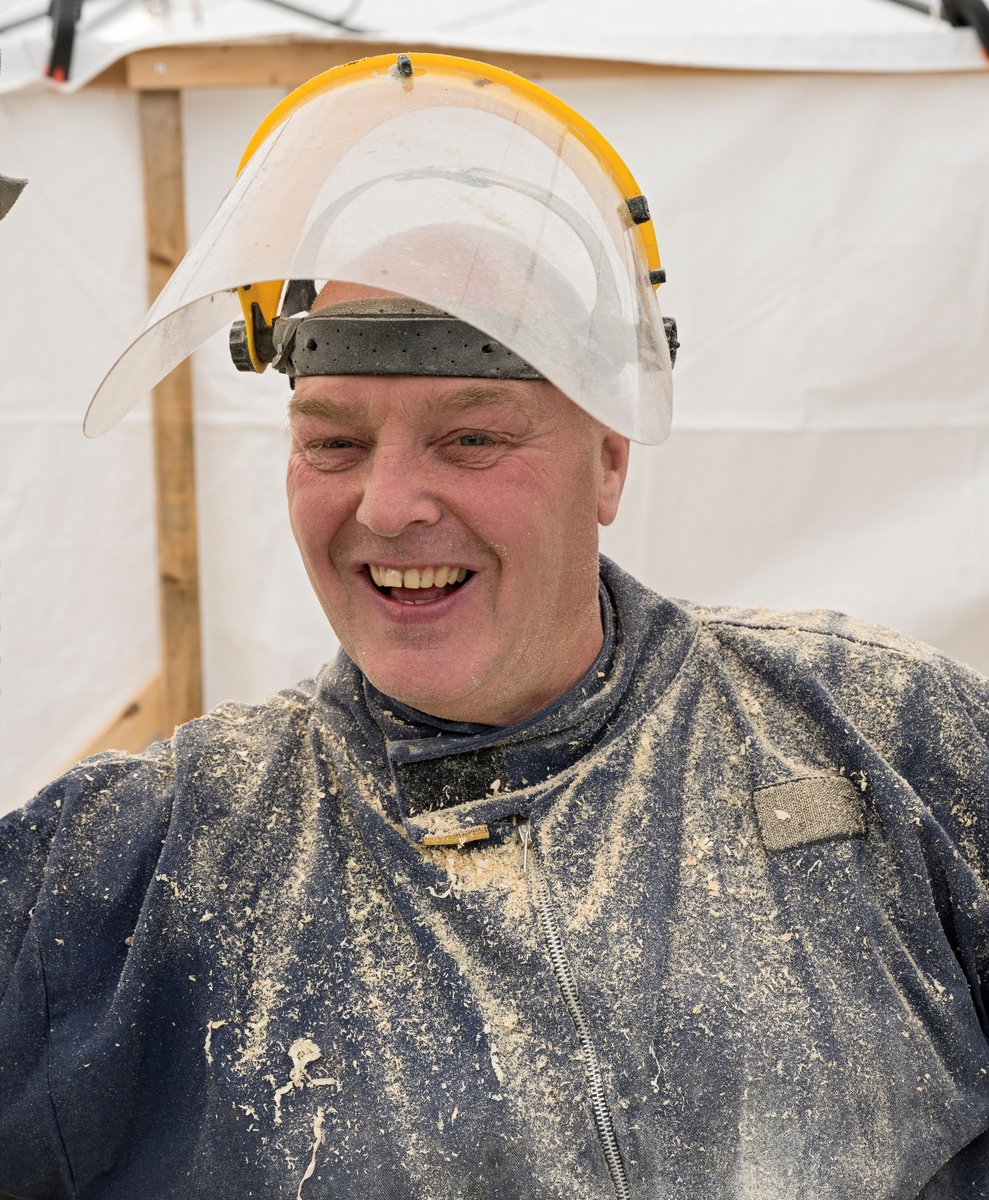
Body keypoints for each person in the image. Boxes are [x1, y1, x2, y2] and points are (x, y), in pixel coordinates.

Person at [2, 53, 988, 1200]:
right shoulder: (135, 873)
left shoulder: (887, 742)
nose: (387, 504)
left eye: (470, 439)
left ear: (607, 459)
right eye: (332, 442)